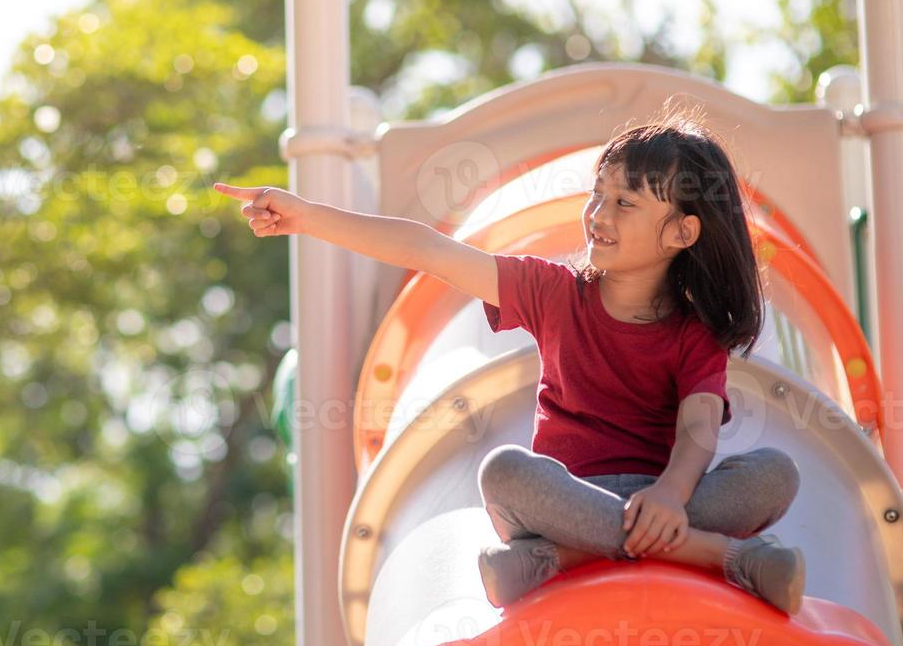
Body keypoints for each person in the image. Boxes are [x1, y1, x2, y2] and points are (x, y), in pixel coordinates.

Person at [213, 103, 805, 614]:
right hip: (563, 498)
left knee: (776, 472)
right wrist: (305, 216)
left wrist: (674, 493)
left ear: (682, 232)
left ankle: (553, 561)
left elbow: (697, 426)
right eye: (597, 195)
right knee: (503, 470)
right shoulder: (550, 291)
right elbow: (427, 249)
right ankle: (726, 558)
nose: (598, 215)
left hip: (659, 499)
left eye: (625, 203)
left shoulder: (693, 331)